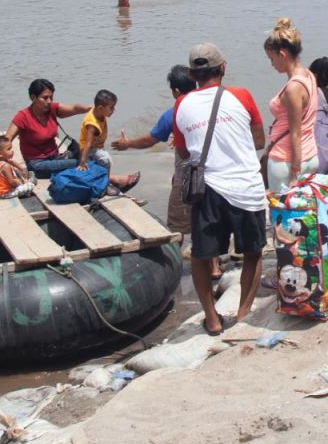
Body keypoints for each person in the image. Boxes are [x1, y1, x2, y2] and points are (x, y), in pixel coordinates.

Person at [172, 43, 268, 335]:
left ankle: (212, 320)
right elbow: (259, 140)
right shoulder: (242, 96)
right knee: (253, 253)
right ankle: (242, 316)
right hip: (246, 188)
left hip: (207, 189)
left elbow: (185, 153)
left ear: (192, 74)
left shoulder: (180, 105)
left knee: (202, 256)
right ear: (223, 69)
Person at [112, 65, 198, 235]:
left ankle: (177, 258)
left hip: (188, 175)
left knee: (176, 228)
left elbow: (149, 140)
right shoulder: (210, 106)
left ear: (175, 91)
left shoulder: (173, 113)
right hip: (215, 173)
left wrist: (127, 144)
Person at [262, 18, 319, 191]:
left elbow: (296, 133)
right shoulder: (309, 75)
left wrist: (295, 172)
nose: (272, 64)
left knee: (283, 215)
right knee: (305, 213)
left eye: (272, 59)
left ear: (283, 54)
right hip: (310, 154)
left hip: (286, 161)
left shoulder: (293, 88)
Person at [6, 79, 91, 178]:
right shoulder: (23, 116)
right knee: (79, 163)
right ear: (33, 98)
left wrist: (91, 109)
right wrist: (7, 164)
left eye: (51, 97)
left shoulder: (53, 109)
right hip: (36, 165)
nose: (49, 101)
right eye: (45, 98)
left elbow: (74, 109)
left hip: (55, 158)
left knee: (90, 157)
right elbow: (6, 140)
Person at [78, 89, 139, 191]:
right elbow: (88, 144)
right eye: (111, 108)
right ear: (101, 108)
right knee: (106, 159)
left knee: (103, 158)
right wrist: (82, 162)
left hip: (96, 146)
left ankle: (106, 180)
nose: (114, 110)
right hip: (87, 150)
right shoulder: (92, 124)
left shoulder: (99, 113)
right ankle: (105, 184)